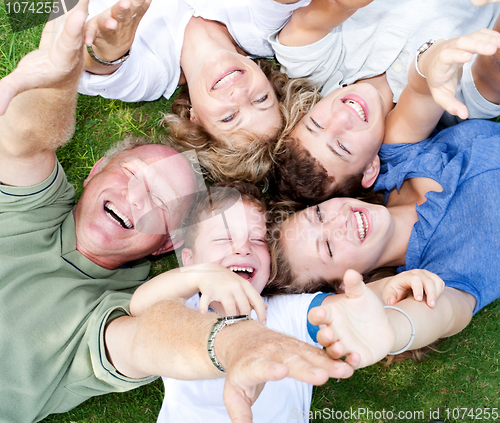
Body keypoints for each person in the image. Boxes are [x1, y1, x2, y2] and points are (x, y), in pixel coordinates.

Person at [0, 4, 356, 422]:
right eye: (129, 172)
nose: (135, 195)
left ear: (169, 243)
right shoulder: (34, 208)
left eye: (160, 200)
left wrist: (233, 345)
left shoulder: (120, 307)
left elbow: (146, 341)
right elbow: (26, 141)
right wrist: (57, 77)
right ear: (95, 172)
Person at [129, 181, 442, 422]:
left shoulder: (284, 313)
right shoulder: (181, 311)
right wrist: (198, 277)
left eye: (256, 240)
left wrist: (389, 286)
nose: (242, 249)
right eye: (224, 239)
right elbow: (140, 310)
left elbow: (345, 308)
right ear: (190, 259)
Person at [267, 118, 500, 366]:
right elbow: (445, 313)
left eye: (319, 215)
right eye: (328, 247)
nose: (338, 222)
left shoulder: (394, 159)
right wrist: (393, 327)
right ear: (344, 286)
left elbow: (421, 95)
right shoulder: (439, 274)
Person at [269, 0, 500, 203]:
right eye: (342, 147)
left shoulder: (312, 65)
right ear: (370, 168)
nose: (341, 118)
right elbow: (493, 66)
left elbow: (314, 19)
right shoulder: (454, 101)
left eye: (315, 125)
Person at [78, 0, 311, 183]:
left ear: (195, 120)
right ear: (270, 83)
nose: (239, 94)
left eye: (229, 117)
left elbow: (95, 67)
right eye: (261, 99)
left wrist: (109, 50)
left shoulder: (152, 78)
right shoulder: (262, 32)